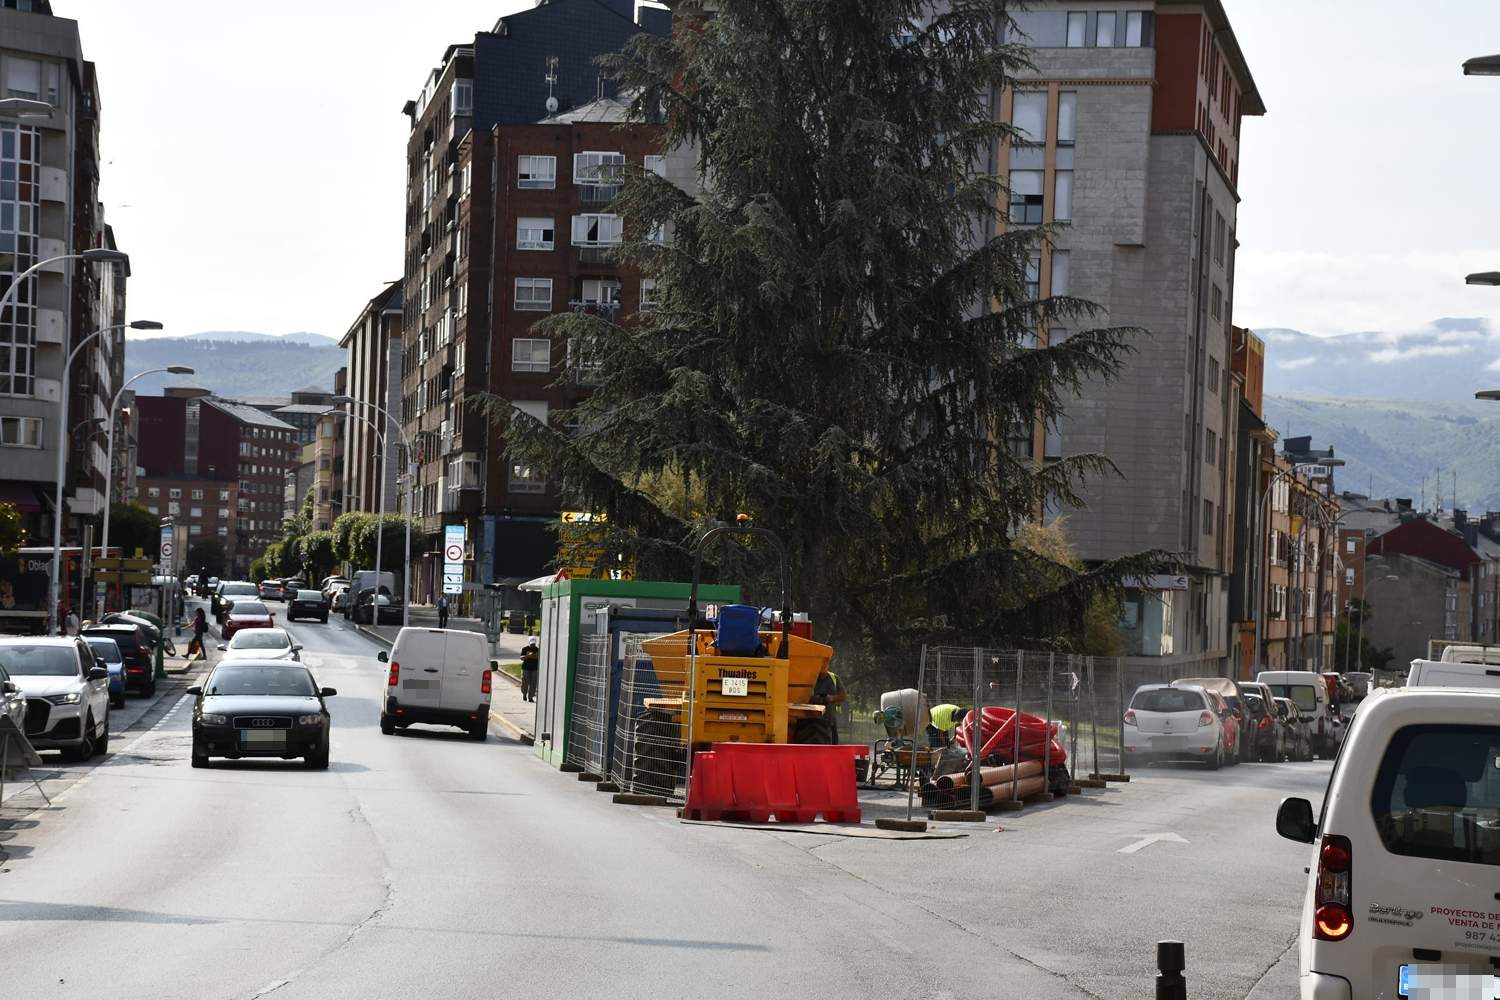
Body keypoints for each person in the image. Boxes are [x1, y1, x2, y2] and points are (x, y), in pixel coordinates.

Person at [812, 661, 849, 744]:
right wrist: (816, 699)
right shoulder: (811, 677)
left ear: (827, 666)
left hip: (830, 718)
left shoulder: (834, 678)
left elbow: (843, 696)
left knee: (833, 741)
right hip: (813, 718)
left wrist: (831, 698)